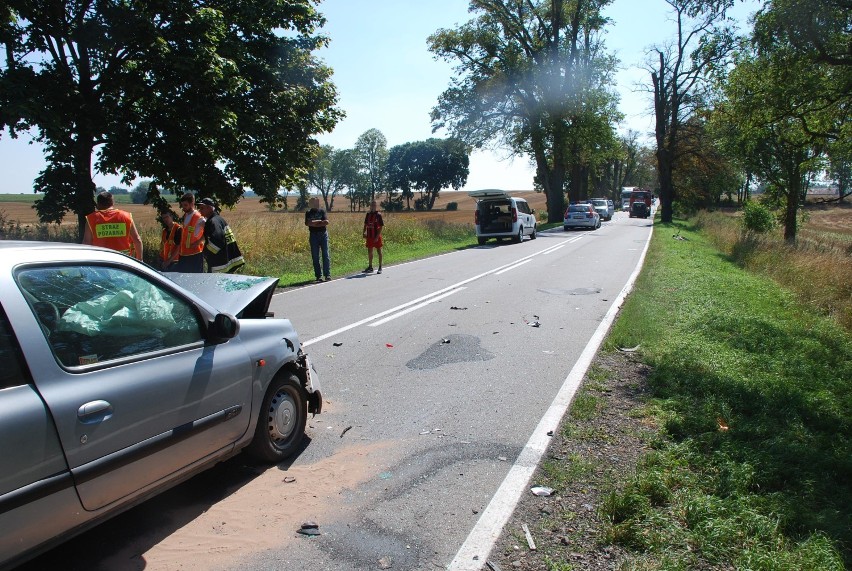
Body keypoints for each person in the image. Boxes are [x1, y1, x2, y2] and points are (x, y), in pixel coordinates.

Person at [83, 191, 143, 260]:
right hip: (124, 261)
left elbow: (86, 242)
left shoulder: (91, 219)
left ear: (98, 204)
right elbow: (137, 240)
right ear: (112, 203)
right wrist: (140, 260)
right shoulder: (126, 217)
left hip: (101, 261)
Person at [197, 198, 245, 273]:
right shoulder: (218, 219)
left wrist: (206, 253)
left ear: (209, 208)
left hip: (219, 264)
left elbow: (218, 241)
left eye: (202, 208)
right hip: (227, 260)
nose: (200, 211)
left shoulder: (213, 222)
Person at [167, 192, 205, 273]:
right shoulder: (186, 215)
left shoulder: (198, 217)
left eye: (185, 205)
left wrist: (199, 241)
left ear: (192, 203)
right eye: (182, 205)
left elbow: (209, 230)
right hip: (184, 253)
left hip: (195, 254)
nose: (183, 208)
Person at [304, 197, 330, 282]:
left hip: (323, 234)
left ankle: (327, 275)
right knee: (315, 256)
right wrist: (319, 222)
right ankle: (318, 276)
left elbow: (326, 222)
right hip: (313, 235)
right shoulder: (308, 213)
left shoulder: (322, 211)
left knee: (325, 255)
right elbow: (307, 223)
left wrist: (314, 223)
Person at [363, 199, 384, 274]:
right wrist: (364, 232)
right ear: (370, 206)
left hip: (376, 236)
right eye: (372, 205)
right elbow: (365, 224)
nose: (373, 206)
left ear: (376, 206)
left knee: (379, 251)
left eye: (374, 205)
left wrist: (377, 237)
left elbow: (381, 226)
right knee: (369, 251)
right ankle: (370, 266)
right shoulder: (368, 214)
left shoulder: (378, 215)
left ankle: (380, 267)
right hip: (369, 236)